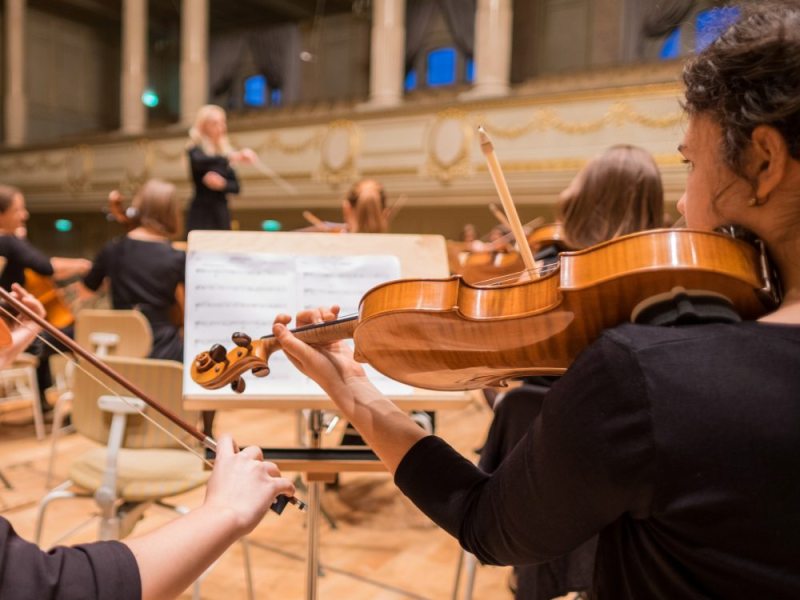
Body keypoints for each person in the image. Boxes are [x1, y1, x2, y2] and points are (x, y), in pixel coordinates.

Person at [270, 2, 800, 597]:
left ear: (763, 161)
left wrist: (351, 387)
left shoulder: (648, 377)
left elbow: (486, 522)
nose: (680, 203)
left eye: (691, 164)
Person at [478, 143, 664, 600]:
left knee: (516, 404)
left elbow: (503, 371)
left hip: (536, 497)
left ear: (585, 201)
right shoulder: (663, 283)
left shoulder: (550, 269)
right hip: (631, 500)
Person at [0, 185, 91, 411]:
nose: (24, 215)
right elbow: (46, 267)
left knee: (43, 329)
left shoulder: (10, 242)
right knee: (78, 334)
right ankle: (86, 403)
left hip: (8, 329)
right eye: (18, 209)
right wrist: (82, 265)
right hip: (9, 332)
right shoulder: (7, 241)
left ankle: (43, 402)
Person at [185, 104, 256, 234]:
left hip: (221, 212)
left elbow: (236, 187)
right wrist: (232, 156)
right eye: (215, 123)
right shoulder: (195, 150)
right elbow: (200, 162)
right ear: (203, 126)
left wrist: (223, 184)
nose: (221, 127)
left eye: (223, 122)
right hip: (201, 212)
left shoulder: (225, 152)